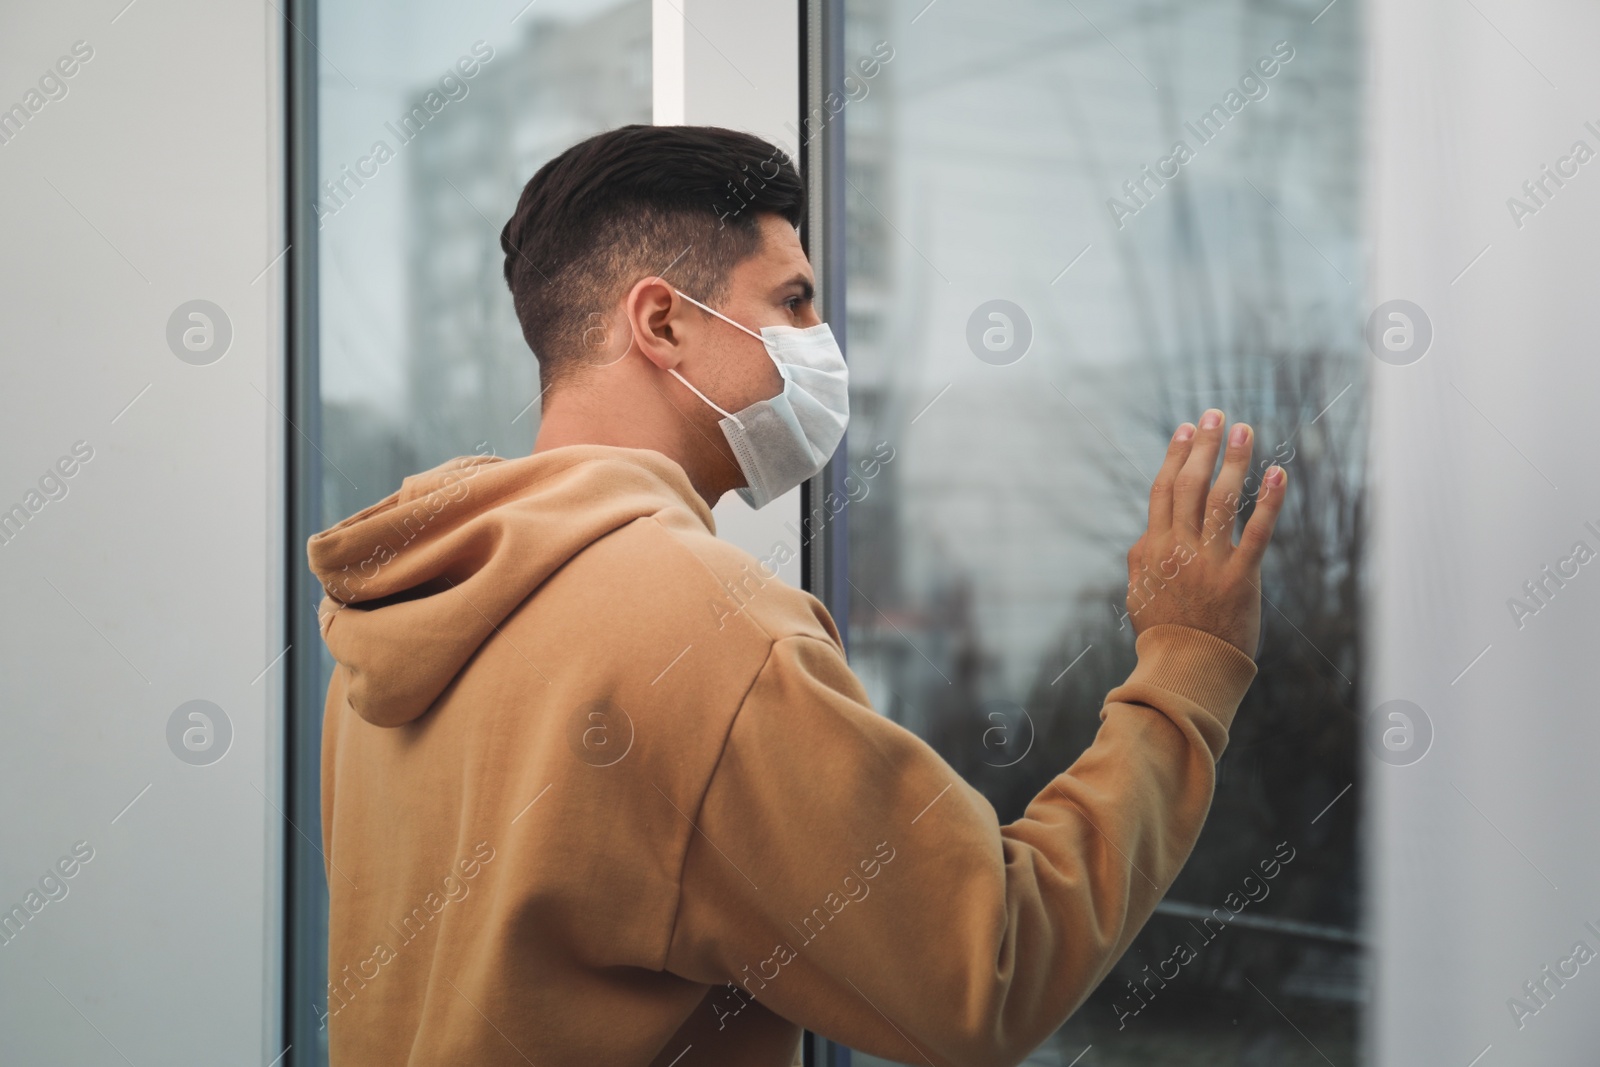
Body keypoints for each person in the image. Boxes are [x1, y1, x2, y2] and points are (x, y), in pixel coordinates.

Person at [306, 123, 1287, 1067]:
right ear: (662, 323)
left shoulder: (406, 610)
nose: (824, 340)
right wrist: (1184, 670)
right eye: (795, 300)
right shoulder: (698, 624)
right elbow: (986, 970)